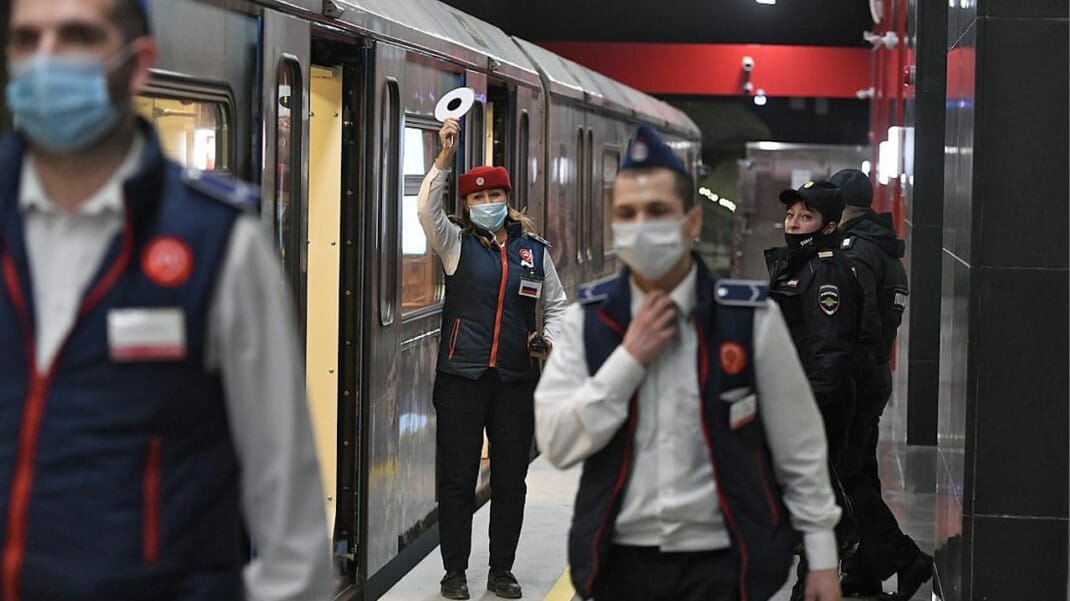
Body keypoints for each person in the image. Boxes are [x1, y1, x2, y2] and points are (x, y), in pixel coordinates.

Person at [0, 1, 332, 599]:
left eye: (77, 35)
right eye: (27, 39)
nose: (45, 61)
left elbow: (290, 526)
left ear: (138, 63)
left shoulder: (221, 245)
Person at [534, 124, 842, 601]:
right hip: (619, 563)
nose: (642, 225)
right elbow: (556, 443)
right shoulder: (586, 324)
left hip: (725, 562)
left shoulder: (749, 320)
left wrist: (822, 557)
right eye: (628, 213)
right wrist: (628, 361)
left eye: (658, 211)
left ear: (692, 221)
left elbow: (798, 446)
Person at [417, 117, 568, 600]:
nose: (486, 203)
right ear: (466, 206)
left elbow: (558, 306)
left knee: (510, 481)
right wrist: (444, 158)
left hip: (514, 380)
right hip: (461, 378)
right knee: (457, 480)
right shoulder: (454, 244)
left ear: (507, 199)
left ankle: (501, 570)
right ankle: (454, 573)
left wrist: (548, 339)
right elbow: (425, 209)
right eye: (477, 198)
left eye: (494, 195)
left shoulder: (533, 252)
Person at [830, 169, 932, 599]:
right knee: (861, 473)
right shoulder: (884, 250)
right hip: (874, 376)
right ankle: (863, 572)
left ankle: (905, 559)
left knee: (844, 477)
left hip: (856, 378)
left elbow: (856, 323)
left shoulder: (855, 252)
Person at [764, 180, 866, 600]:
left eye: (806, 217)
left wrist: (806, 407)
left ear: (829, 226)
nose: (793, 223)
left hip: (818, 398)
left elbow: (829, 350)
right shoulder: (798, 264)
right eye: (791, 215)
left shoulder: (825, 272)